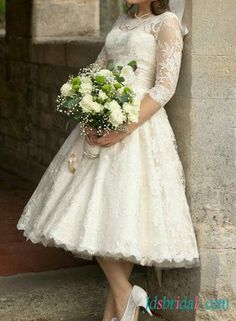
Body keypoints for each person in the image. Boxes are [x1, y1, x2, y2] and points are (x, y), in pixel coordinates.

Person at [17, 1, 200, 321]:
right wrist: (89, 104)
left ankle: (119, 305)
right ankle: (126, 296)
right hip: (103, 118)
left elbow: (165, 87)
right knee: (93, 213)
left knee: (121, 216)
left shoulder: (167, 23)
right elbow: (99, 66)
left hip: (139, 127)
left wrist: (123, 129)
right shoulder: (122, 19)